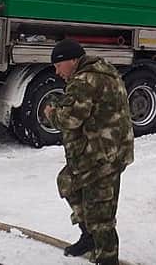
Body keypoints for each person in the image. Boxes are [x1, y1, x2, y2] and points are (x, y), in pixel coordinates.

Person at [43, 38, 134, 265]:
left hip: (102, 156)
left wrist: (51, 113)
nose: (57, 71)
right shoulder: (103, 71)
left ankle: (106, 258)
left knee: (100, 214)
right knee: (68, 182)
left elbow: (70, 120)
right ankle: (88, 238)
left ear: (72, 60)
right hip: (105, 151)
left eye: (58, 65)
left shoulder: (84, 80)